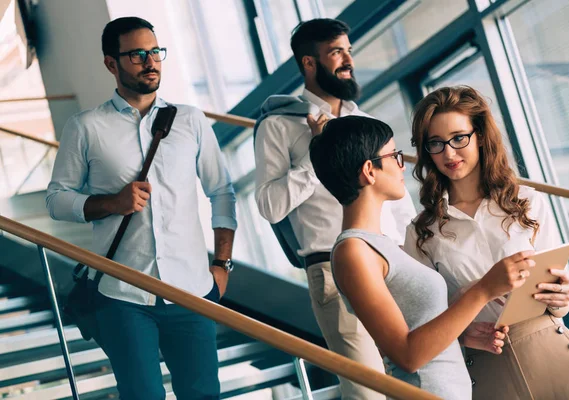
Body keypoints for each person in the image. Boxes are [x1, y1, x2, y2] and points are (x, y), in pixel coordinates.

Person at [46, 17, 236, 400]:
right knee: (142, 395)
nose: (150, 62)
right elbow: (56, 199)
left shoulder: (191, 120)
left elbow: (222, 191)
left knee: (203, 396)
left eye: (155, 52)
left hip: (193, 290)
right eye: (136, 54)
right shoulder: (86, 127)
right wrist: (112, 203)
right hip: (123, 294)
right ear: (111, 64)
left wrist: (222, 264)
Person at [309, 115, 538, 399]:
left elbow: (417, 329)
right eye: (394, 156)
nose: (402, 165)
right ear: (369, 170)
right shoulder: (353, 252)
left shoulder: (381, 245)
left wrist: (463, 336)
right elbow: (406, 355)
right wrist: (483, 290)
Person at [254, 18, 416, 399]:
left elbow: (402, 207)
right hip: (333, 268)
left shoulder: (368, 123)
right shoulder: (278, 126)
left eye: (349, 51)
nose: (348, 60)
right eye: (336, 52)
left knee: (417, 379)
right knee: (368, 392)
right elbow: (269, 207)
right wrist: (316, 153)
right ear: (309, 63)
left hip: (394, 262)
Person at [404, 85, 569, 398]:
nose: (449, 153)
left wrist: (562, 298)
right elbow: (419, 324)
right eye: (436, 144)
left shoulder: (529, 202)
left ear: (479, 135)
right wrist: (463, 334)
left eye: (458, 138)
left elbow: (558, 300)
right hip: (488, 370)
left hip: (556, 356)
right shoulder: (421, 232)